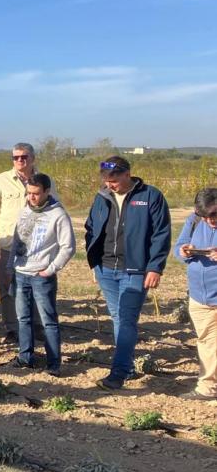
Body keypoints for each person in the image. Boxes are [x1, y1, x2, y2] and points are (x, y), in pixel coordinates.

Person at [85, 156, 171, 390]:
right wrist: (94, 262)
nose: (109, 184)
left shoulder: (150, 196)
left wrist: (155, 267)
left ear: (127, 174)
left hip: (135, 269)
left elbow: (161, 233)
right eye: (106, 180)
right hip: (105, 268)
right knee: (118, 318)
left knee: (126, 320)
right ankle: (129, 367)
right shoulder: (102, 197)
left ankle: (119, 373)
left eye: (113, 180)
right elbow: (91, 228)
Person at [0, 143, 53, 340]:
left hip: (37, 246)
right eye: (16, 157)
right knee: (7, 287)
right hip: (6, 244)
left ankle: (37, 326)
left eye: (24, 156)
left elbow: (53, 207)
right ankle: (12, 328)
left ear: (33, 158)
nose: (20, 160)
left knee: (38, 285)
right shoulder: (0, 180)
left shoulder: (44, 180)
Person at [9, 173, 75, 376]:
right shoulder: (25, 210)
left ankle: (53, 364)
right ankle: (25, 357)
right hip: (21, 272)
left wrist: (50, 269)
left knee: (48, 321)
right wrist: (10, 265)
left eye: (36, 194)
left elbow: (68, 247)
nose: (32, 197)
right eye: (29, 193)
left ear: (47, 191)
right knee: (23, 318)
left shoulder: (58, 214)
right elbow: (16, 238)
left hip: (41, 275)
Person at [175, 188, 217, 400]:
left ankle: (207, 388)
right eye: (205, 216)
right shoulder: (193, 221)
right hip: (199, 296)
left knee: (211, 343)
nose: (210, 221)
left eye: (214, 215)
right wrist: (184, 251)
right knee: (206, 341)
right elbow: (177, 248)